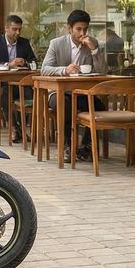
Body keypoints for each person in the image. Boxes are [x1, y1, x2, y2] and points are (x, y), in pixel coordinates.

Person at [41, 9, 108, 162]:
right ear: (69, 28)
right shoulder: (56, 44)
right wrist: (64, 70)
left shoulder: (92, 44)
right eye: (78, 29)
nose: (82, 33)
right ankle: (68, 146)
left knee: (99, 107)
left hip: (81, 92)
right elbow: (45, 69)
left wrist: (94, 50)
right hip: (57, 93)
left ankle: (85, 146)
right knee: (64, 105)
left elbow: (102, 71)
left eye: (85, 29)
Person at [0, 15, 37, 144]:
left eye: (19, 29)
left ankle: (22, 127)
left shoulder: (24, 43)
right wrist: (9, 65)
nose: (17, 33)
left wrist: (25, 63)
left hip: (20, 84)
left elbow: (34, 61)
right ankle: (14, 128)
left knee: (31, 94)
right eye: (14, 29)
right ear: (6, 28)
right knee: (4, 94)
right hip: (1, 84)